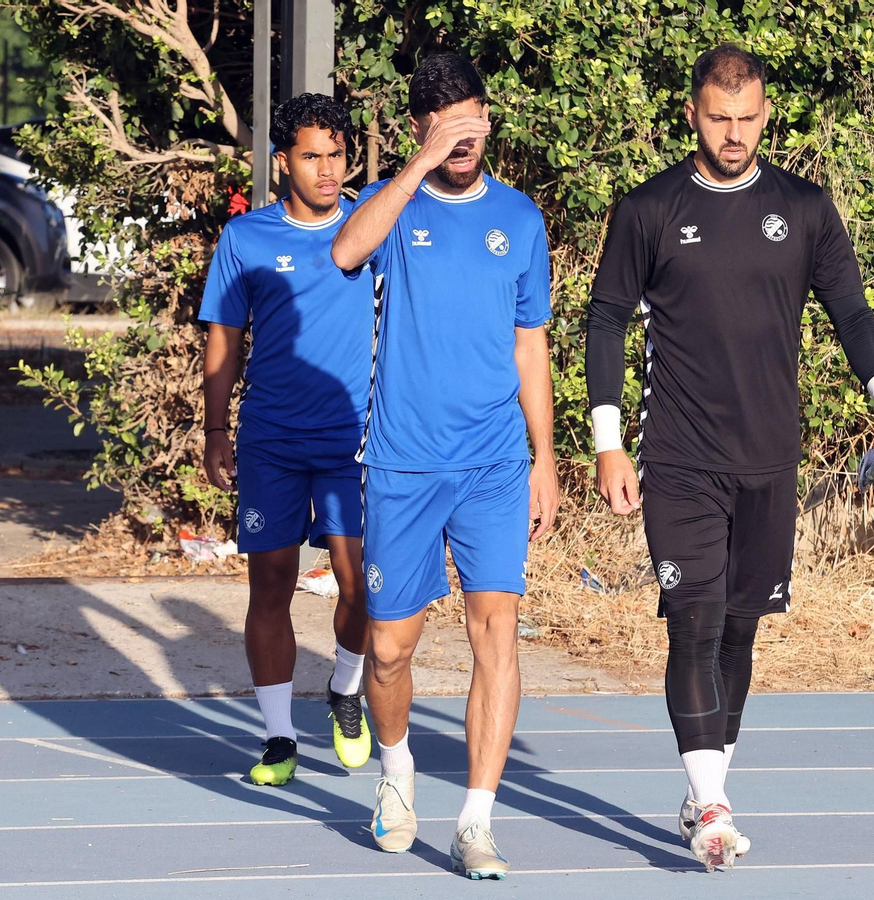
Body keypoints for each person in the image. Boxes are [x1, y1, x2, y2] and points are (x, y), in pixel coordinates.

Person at [585, 45, 874, 871]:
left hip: (770, 460)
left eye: (747, 119)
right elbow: (606, 320)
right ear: (692, 115)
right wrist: (607, 443)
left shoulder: (804, 208)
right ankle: (714, 808)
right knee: (692, 623)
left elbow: (850, 309)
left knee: (739, 633)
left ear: (766, 115)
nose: (733, 134)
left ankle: (706, 784)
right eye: (718, 118)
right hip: (679, 459)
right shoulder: (650, 208)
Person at [330, 51, 560, 881]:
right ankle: (396, 777)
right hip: (404, 463)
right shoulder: (393, 209)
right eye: (447, 121)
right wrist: (418, 164)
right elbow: (346, 252)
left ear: (489, 118)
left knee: (495, 632)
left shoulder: (520, 220)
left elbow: (529, 345)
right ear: (424, 127)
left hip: (496, 461)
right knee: (390, 648)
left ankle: (476, 820)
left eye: (475, 116)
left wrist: (546, 457)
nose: (465, 134)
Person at [199, 93, 375, 787]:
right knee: (269, 585)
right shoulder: (247, 239)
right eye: (312, 156)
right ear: (283, 162)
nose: (327, 169)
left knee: (361, 586)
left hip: (354, 443)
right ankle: (278, 739)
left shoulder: (374, 230)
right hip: (270, 440)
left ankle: (346, 688)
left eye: (337, 155)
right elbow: (223, 338)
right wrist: (216, 430)